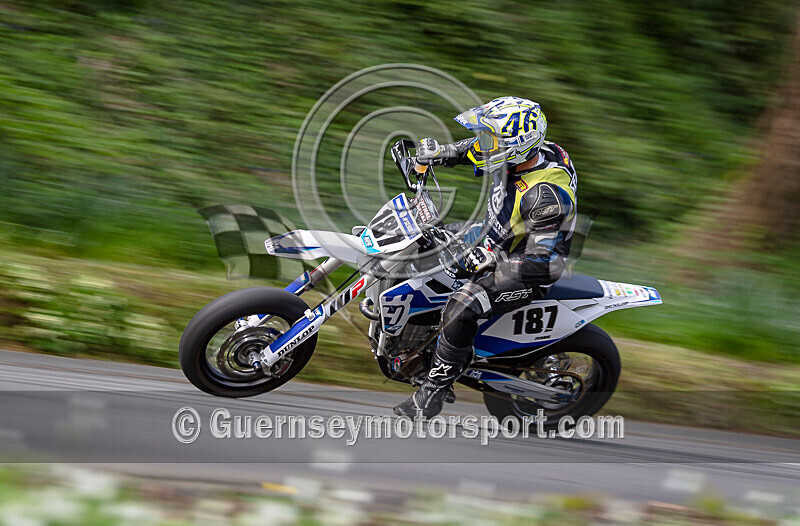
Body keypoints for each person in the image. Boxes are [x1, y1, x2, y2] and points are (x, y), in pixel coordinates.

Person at [393, 96, 578, 418]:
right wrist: (441, 154)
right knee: (413, 245)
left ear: (515, 147)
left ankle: (434, 389)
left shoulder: (545, 196)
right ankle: (410, 342)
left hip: (524, 265)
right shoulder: (528, 152)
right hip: (492, 233)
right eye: (485, 137)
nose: (483, 145)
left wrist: (495, 261)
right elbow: (476, 148)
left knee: (462, 304)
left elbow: (547, 262)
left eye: (490, 139)